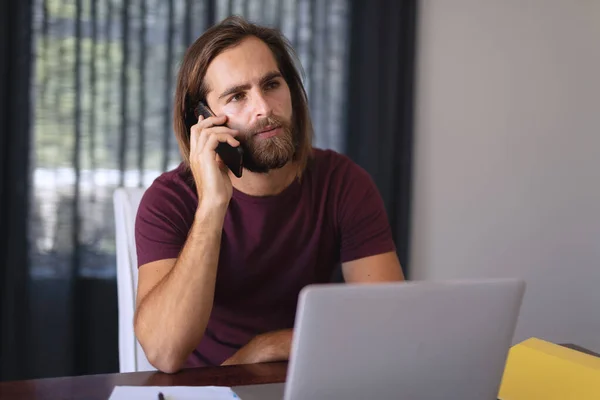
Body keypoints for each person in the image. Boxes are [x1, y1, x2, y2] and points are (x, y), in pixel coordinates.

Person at [133, 16, 404, 374]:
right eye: (237, 96)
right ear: (202, 119)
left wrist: (266, 347)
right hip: (206, 390)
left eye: (271, 84)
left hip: (309, 378)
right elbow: (165, 353)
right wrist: (213, 205)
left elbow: (390, 326)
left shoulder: (343, 183)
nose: (263, 108)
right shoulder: (168, 200)